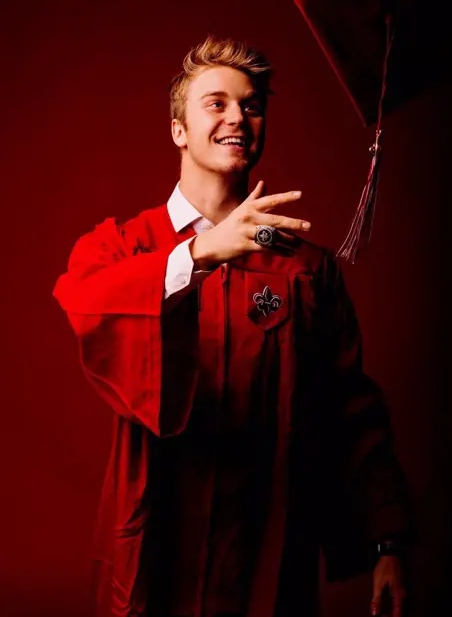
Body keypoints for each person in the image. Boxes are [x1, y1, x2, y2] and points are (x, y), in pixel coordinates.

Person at [53, 36, 412, 617]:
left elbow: (351, 411)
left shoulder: (305, 267)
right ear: (179, 130)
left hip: (264, 551)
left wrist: (387, 542)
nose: (237, 117)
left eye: (250, 105)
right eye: (215, 103)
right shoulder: (125, 245)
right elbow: (86, 303)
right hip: (156, 548)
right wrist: (196, 254)